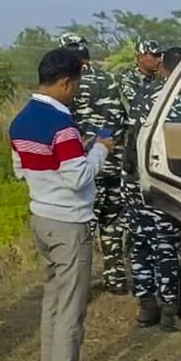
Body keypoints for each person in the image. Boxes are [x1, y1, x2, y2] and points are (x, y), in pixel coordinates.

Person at [9, 48, 112, 361]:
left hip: (42, 217)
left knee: (53, 301)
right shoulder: (63, 126)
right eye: (76, 85)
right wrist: (99, 150)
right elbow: (79, 177)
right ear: (67, 82)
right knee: (71, 308)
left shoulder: (21, 120)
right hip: (69, 222)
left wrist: (71, 158)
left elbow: (23, 168)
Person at [123, 46, 181, 333]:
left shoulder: (142, 94)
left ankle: (147, 308)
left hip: (133, 181)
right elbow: (176, 147)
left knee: (141, 244)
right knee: (166, 245)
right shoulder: (174, 101)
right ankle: (173, 311)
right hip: (157, 182)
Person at [58, 33, 129, 295]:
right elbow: (119, 117)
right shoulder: (107, 78)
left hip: (85, 165)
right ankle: (116, 278)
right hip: (113, 161)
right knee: (113, 223)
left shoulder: (66, 83)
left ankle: (79, 285)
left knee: (84, 227)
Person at [117, 39, 162, 119]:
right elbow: (136, 105)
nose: (159, 60)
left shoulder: (157, 79)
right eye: (154, 55)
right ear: (141, 56)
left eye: (160, 55)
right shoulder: (127, 78)